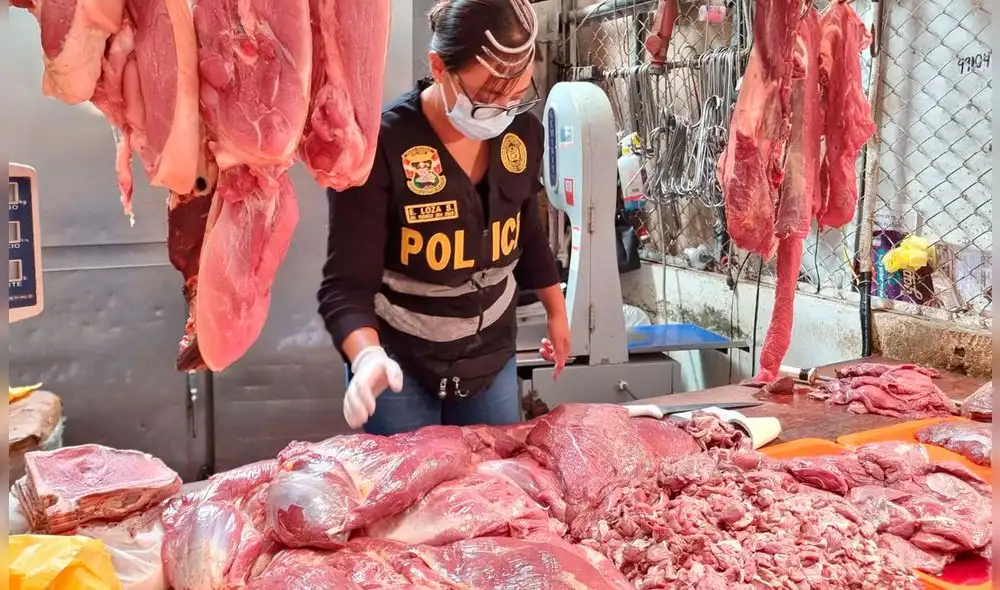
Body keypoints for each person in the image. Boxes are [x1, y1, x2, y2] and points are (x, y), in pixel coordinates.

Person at [317, 0, 570, 435]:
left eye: (517, 95)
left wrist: (557, 312)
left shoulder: (521, 133)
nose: (503, 111)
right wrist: (366, 357)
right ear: (439, 68)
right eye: (488, 97)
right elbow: (344, 287)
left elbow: (526, 235)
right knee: (415, 480)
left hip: (491, 361)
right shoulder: (381, 145)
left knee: (495, 474)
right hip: (401, 366)